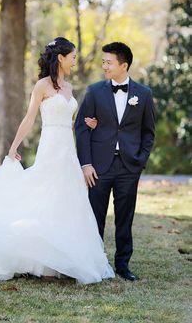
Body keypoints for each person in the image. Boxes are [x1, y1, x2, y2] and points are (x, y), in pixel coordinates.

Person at [0, 37, 114, 284]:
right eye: (72, 56)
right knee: (45, 195)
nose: (74, 60)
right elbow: (29, 119)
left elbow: (71, 123)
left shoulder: (69, 88)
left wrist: (87, 124)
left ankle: (58, 261)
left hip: (68, 149)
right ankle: (39, 260)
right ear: (60, 58)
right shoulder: (42, 85)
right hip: (50, 147)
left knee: (67, 198)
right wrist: (13, 147)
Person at [75, 42, 155, 281]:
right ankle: (95, 264)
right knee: (95, 218)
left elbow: (149, 132)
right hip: (98, 167)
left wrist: (140, 161)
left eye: (109, 62)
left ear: (124, 65)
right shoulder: (94, 91)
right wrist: (86, 164)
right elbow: (81, 129)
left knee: (125, 218)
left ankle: (123, 266)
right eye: (103, 62)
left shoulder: (144, 94)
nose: (104, 66)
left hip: (129, 166)